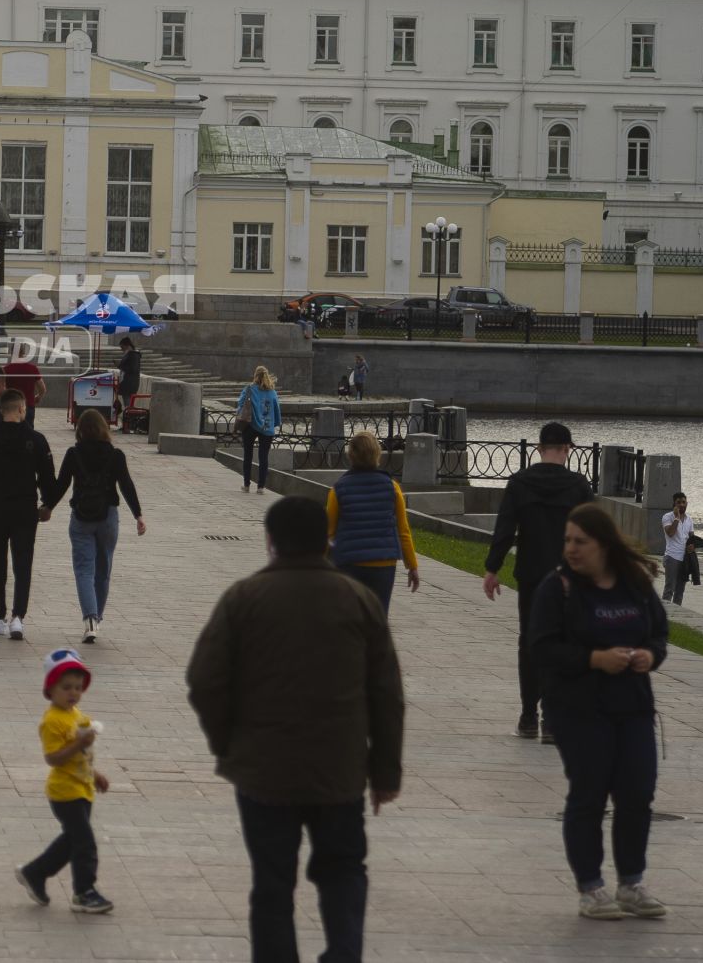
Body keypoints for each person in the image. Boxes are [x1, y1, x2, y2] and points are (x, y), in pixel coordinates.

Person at [185, 497, 406, 963]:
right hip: (340, 772)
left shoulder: (243, 599)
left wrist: (228, 743)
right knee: (344, 869)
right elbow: (387, 695)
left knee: (272, 884)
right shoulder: (360, 600)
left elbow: (205, 680)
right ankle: (343, 954)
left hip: (263, 773)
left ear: (271, 541)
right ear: (326, 541)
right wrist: (384, 773)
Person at [532, 503, 670, 921]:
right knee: (589, 795)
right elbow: (541, 649)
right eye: (568, 541)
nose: (571, 549)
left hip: (633, 707)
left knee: (637, 794)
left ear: (604, 545)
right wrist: (594, 659)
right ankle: (591, 887)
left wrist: (649, 655)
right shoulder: (557, 589)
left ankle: (632, 882)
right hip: (578, 710)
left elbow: (659, 633)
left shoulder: (635, 585)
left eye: (581, 542)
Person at [483, 421, 596, 740]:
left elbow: (505, 529)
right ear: (567, 449)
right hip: (568, 579)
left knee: (529, 643)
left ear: (538, 449)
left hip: (532, 576)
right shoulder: (578, 486)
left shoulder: (519, 482)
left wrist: (492, 569)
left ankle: (528, 716)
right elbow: (594, 533)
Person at [15, 648, 114, 914]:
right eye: (66, 687)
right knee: (85, 843)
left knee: (71, 841)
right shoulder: (52, 721)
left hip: (82, 789)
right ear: (51, 689)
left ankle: (34, 873)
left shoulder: (78, 716)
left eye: (78, 688)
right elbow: (53, 758)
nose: (73, 693)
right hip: (64, 793)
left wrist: (96, 775)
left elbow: (82, 756)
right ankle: (84, 892)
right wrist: (79, 743)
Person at [42, 410, 146, 645]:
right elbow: (126, 485)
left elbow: (62, 484)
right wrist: (138, 515)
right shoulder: (116, 455)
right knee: (103, 569)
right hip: (108, 515)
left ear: (80, 429)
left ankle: (89, 619)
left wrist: (48, 506)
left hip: (81, 516)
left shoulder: (73, 453)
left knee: (83, 570)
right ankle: (97, 617)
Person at [0, 389, 57, 641]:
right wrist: (47, 505)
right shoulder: (37, 440)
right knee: (23, 564)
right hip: (24, 510)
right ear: (22, 409)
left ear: (1, 410)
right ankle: (18, 617)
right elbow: (48, 480)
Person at [325, 431, 421, 611]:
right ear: (377, 454)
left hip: (349, 563)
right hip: (383, 564)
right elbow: (403, 531)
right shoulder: (392, 488)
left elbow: (328, 533)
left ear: (351, 455)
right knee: (378, 619)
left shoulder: (338, 490)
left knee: (350, 619)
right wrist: (412, 566)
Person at [235, 366, 282, 494]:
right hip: (267, 427)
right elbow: (276, 409)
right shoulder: (272, 392)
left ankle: (246, 485)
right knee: (263, 457)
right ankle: (261, 487)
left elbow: (240, 404)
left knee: (248, 456)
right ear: (266, 375)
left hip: (250, 426)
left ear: (255, 375)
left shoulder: (249, 389)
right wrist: (275, 423)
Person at [661, 492, 694, 607]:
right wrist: (676, 518)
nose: (681, 505)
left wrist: (692, 546)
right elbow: (670, 533)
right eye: (678, 502)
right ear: (674, 504)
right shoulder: (667, 517)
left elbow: (692, 538)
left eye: (683, 502)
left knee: (680, 591)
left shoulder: (689, 519)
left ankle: (676, 614)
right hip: (672, 557)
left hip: (684, 559)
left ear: (687, 503)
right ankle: (664, 613)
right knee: (669, 588)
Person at [2, 351, 46, 430]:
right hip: (28, 406)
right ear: (23, 353)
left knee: (11, 431)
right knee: (28, 432)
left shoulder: (6, 369)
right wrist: (38, 397)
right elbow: (42, 388)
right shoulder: (32, 368)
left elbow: (1, 389)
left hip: (11, 407)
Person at [114, 337, 142, 431]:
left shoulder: (133, 355)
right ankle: (126, 424)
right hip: (127, 382)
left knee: (128, 405)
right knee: (127, 404)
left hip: (129, 383)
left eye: (122, 347)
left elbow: (133, 369)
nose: (121, 349)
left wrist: (120, 365)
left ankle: (128, 425)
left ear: (127, 345)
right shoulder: (130, 354)